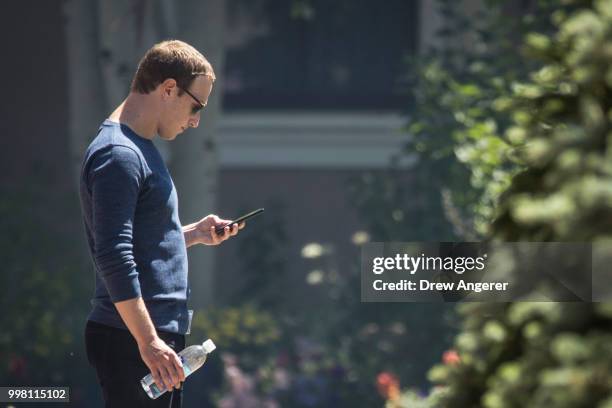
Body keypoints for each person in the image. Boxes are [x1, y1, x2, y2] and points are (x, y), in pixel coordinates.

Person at [79, 40, 243, 407]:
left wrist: (194, 234)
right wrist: (149, 342)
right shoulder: (119, 154)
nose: (196, 119)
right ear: (169, 89)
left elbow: (139, 243)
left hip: (147, 339)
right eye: (195, 106)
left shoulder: (139, 147)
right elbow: (113, 255)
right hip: (134, 340)